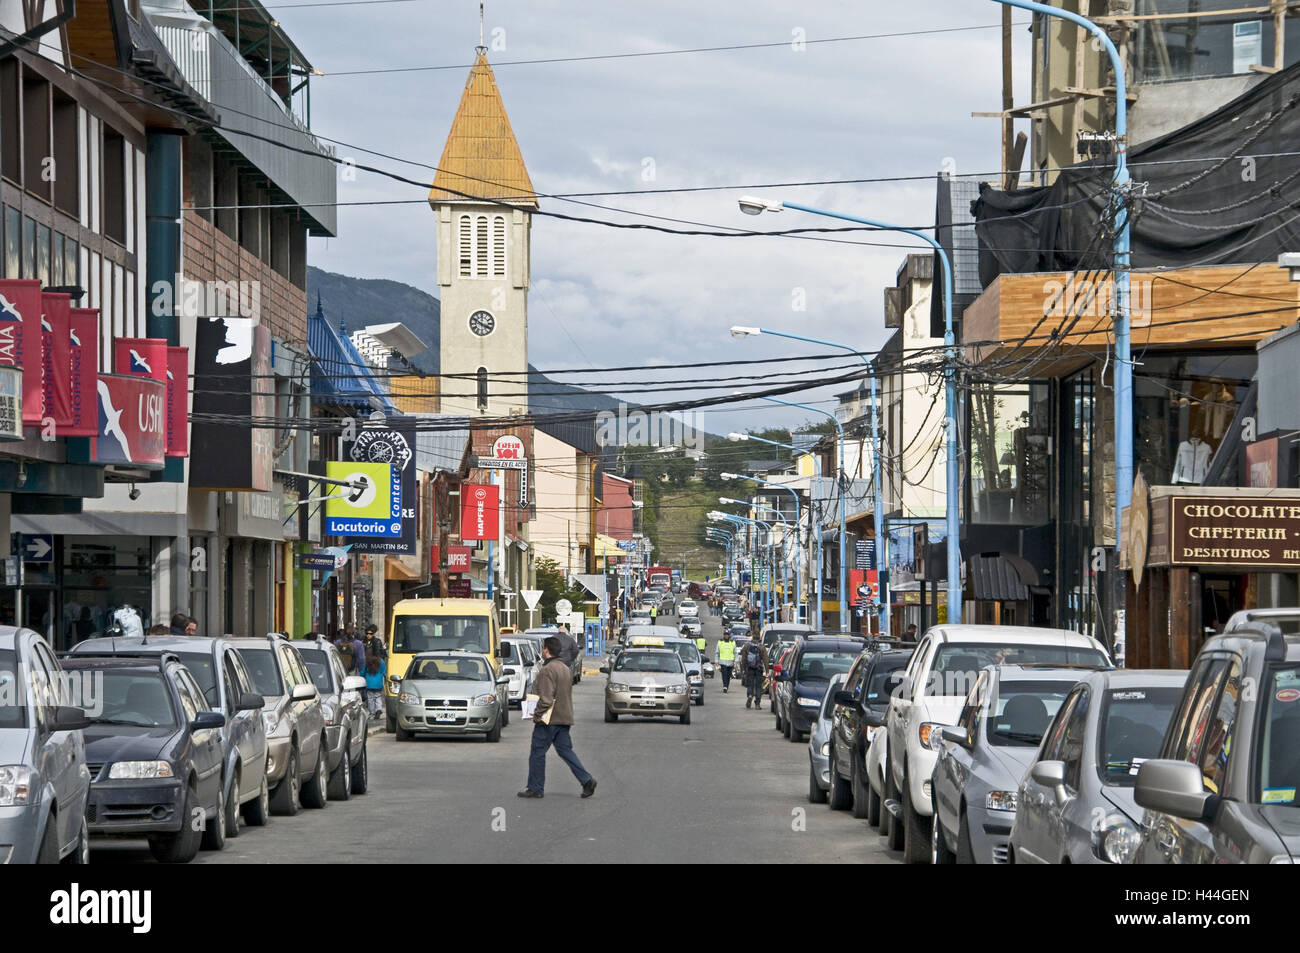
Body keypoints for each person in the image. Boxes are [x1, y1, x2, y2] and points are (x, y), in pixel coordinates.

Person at [518, 636, 596, 799]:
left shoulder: (547, 670)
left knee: (537, 752)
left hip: (549, 720)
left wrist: (536, 714)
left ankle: (535, 788)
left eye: (543, 647)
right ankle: (586, 780)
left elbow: (546, 698)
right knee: (565, 751)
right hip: (564, 716)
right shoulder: (565, 668)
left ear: (546, 649)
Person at [361, 625, 387, 718]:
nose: (368, 635)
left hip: (369, 682)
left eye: (370, 633)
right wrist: (385, 677)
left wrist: (362, 676)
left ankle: (372, 713)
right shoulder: (381, 662)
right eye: (367, 633)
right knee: (378, 696)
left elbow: (363, 671)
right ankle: (378, 709)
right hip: (378, 682)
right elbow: (384, 671)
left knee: (370, 698)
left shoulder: (367, 662)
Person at [741, 633, 767, 710]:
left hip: (750, 668)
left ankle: (750, 695)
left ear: (752, 637)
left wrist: (743, 668)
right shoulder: (762, 647)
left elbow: (743, 659)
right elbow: (765, 659)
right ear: (759, 638)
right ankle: (757, 704)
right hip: (759, 669)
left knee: (750, 684)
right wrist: (767, 670)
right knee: (758, 686)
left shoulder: (747, 646)